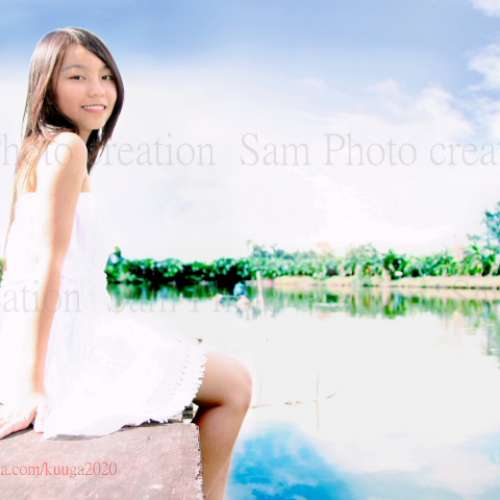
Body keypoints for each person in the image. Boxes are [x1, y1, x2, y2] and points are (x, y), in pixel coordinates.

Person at [0, 27, 252, 500]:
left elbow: (18, 266)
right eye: (77, 76)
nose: (97, 90)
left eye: (105, 76)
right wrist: (32, 387)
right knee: (236, 384)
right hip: (69, 348)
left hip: (57, 336)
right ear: (46, 86)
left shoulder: (36, 152)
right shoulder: (68, 149)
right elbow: (45, 268)